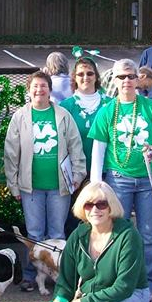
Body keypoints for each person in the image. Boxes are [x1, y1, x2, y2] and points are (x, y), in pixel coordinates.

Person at [88, 58, 152, 295]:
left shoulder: (151, 107)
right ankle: (119, 283)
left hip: (148, 179)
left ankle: (149, 286)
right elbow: (99, 149)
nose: (126, 81)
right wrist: (97, 186)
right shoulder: (107, 112)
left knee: (147, 235)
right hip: (118, 180)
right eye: (121, 77)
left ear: (138, 79)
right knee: (118, 234)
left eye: (131, 76)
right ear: (114, 80)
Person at [53, 182, 149, 302]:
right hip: (93, 301)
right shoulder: (78, 235)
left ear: (111, 206)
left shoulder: (128, 235)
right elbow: (65, 281)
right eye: (89, 205)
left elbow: (124, 287)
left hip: (132, 294)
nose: (94, 209)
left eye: (101, 204)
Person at [5, 71, 87, 292]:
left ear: (50, 89)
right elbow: (11, 152)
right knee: (34, 234)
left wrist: (78, 174)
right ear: (29, 90)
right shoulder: (20, 116)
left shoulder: (62, 115)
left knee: (57, 234)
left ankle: (59, 276)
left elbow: (75, 145)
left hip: (59, 185)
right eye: (35, 86)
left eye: (43, 86)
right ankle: (32, 276)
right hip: (31, 186)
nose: (39, 90)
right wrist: (13, 183)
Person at [59, 56, 111, 236]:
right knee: (76, 220)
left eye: (89, 73)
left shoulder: (110, 104)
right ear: (74, 78)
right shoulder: (65, 107)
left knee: (102, 218)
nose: (85, 77)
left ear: (96, 76)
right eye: (80, 74)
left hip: (105, 170)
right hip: (76, 173)